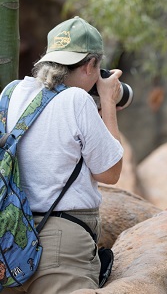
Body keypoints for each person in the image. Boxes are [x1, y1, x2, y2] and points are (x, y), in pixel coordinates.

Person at [1, 16, 124, 293]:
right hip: (60, 241)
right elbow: (111, 172)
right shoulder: (77, 100)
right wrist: (107, 102)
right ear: (92, 64)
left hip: (7, 240)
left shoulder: (10, 94)